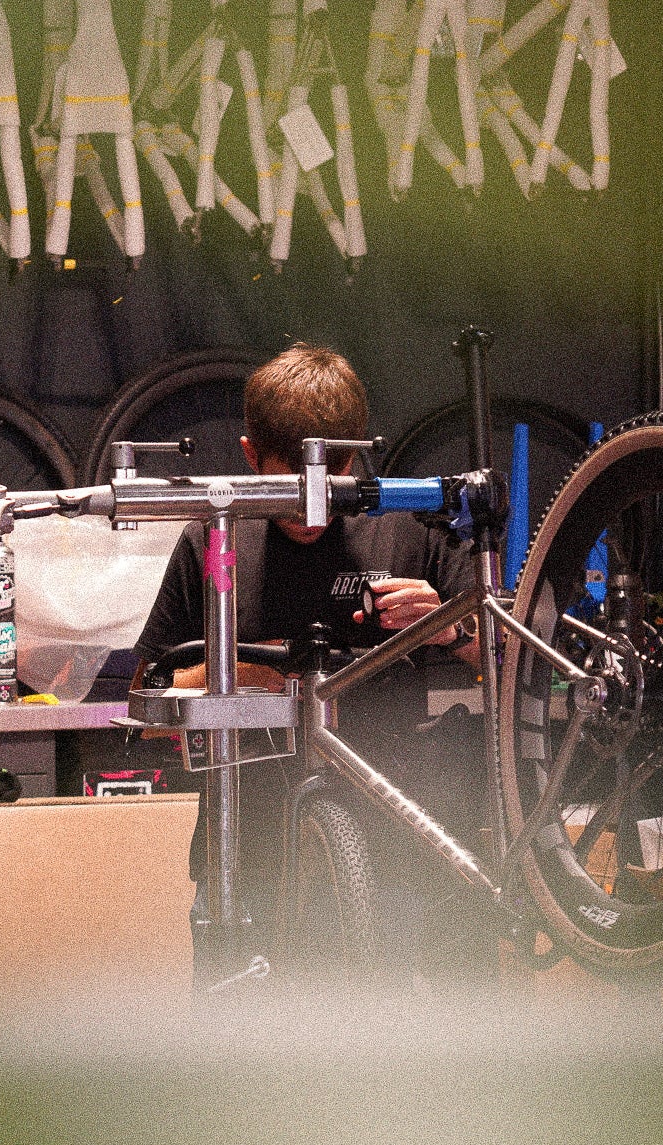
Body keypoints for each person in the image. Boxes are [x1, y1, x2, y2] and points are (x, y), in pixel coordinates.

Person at [130, 343, 483, 975]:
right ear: (248, 455)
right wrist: (243, 673)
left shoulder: (412, 530)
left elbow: (511, 659)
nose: (308, 506)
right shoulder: (214, 543)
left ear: (357, 453)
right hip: (248, 859)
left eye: (330, 473)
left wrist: (448, 626)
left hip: (398, 853)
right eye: (289, 479)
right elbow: (147, 705)